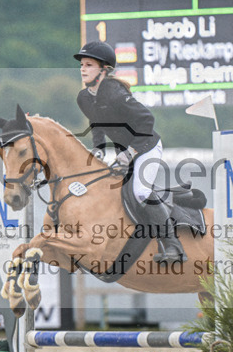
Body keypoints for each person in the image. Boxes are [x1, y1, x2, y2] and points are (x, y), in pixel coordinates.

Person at [74, 41, 185, 264]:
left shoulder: (114, 92)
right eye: (82, 65)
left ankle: (174, 246)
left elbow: (147, 120)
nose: (83, 69)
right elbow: (96, 124)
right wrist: (97, 150)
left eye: (89, 65)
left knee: (141, 192)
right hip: (124, 152)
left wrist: (131, 152)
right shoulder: (84, 98)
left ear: (104, 70)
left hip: (146, 146)